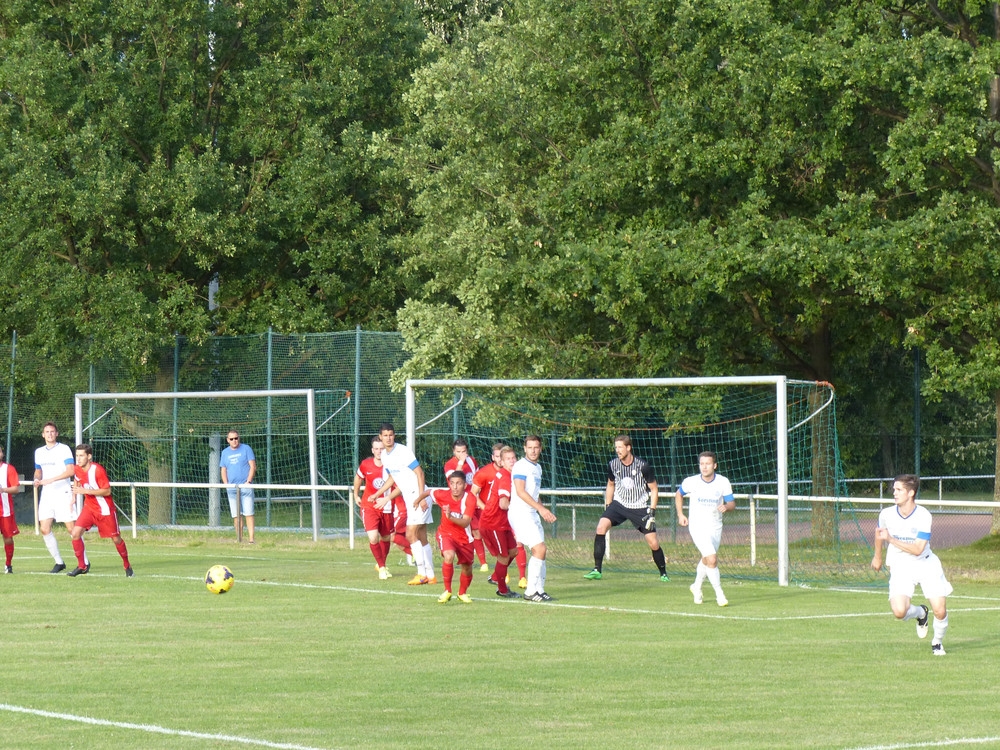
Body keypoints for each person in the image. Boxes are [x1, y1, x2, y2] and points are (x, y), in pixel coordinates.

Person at [871, 474, 952, 656]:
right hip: (901, 566)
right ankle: (920, 613)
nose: (894, 493)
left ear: (911, 493)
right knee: (899, 611)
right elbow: (879, 534)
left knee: (940, 610)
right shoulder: (886, 514)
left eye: (899, 490)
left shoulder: (923, 515)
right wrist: (877, 557)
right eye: (894, 489)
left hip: (925, 563)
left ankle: (937, 643)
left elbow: (917, 549)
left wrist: (891, 539)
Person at [584, 435, 669, 581]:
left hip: (639, 507)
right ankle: (597, 569)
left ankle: (663, 574)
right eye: (616, 447)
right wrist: (608, 505)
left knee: (653, 542)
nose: (617, 450)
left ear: (628, 448)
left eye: (620, 447)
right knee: (600, 528)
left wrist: (652, 511)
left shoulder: (643, 466)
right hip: (619, 504)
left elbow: (654, 489)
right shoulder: (613, 465)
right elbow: (611, 484)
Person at [369, 423, 435, 585]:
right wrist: (380, 495)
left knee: (410, 534)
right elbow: (394, 479)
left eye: (391, 434)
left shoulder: (403, 451)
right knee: (421, 536)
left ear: (394, 435)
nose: (388, 438)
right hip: (410, 497)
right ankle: (431, 575)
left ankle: (421, 574)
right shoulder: (385, 456)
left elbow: (420, 473)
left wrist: (421, 498)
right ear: (381, 437)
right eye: (385, 435)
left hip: (418, 495)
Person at [675, 451, 735, 607]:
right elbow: (678, 494)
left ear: (714, 465)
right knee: (713, 559)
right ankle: (720, 595)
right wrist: (681, 514)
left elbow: (731, 504)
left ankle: (696, 586)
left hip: (715, 526)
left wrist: (726, 507)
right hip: (697, 526)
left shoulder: (723, 482)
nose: (704, 467)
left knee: (707, 559)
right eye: (702, 464)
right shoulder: (691, 481)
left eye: (708, 464)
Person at [67, 444, 134, 577]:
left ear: (89, 456)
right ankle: (82, 566)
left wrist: (85, 491)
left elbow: (107, 491)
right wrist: (74, 497)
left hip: (105, 510)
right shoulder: (77, 469)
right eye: (77, 456)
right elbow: (77, 480)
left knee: (116, 539)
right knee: (75, 533)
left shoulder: (98, 470)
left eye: (81, 456)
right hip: (89, 508)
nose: (78, 459)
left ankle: (127, 565)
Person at [510, 435, 556, 602]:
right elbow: (521, 492)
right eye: (530, 447)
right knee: (540, 549)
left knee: (541, 551)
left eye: (536, 447)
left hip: (531, 513)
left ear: (541, 448)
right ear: (525, 448)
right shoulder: (521, 466)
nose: (533, 450)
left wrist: (542, 510)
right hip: (520, 513)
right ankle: (530, 592)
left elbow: (533, 494)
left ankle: (539, 589)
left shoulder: (538, 467)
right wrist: (541, 510)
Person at [473, 445, 520, 598]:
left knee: (514, 551)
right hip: (493, 523)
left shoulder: (505, 474)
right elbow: (503, 504)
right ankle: (502, 589)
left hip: (501, 523)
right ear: (502, 462)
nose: (512, 461)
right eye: (508, 459)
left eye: (513, 458)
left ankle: (495, 576)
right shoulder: (505, 477)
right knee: (504, 557)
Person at [34, 422, 79, 573]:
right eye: (47, 432)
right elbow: (38, 471)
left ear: (57, 433)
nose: (50, 434)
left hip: (63, 492)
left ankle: (83, 562)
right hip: (47, 494)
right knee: (45, 529)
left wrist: (51, 479)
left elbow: (71, 471)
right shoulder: (39, 452)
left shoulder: (64, 449)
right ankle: (59, 562)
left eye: (52, 431)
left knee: (72, 530)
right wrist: (36, 479)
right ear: (43, 434)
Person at [353, 436, 399, 580]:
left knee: (386, 537)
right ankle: (382, 568)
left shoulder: (392, 465)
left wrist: (387, 499)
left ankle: (381, 565)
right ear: (372, 450)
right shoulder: (366, 464)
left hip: (386, 507)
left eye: (382, 448)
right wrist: (356, 495)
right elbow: (358, 477)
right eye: (377, 449)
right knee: (373, 537)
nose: (379, 451)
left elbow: (398, 486)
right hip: (369, 506)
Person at [431, 471, 477, 603]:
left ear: (464, 485)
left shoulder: (470, 498)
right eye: (452, 483)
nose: (455, 487)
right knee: (449, 556)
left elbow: (466, 522)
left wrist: (450, 516)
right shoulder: (443, 494)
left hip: (464, 538)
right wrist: (418, 501)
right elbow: (429, 492)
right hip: (446, 534)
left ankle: (462, 593)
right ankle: (447, 590)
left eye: (458, 483)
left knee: (467, 567)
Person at [443, 439, 487, 571]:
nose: (461, 454)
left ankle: (481, 561)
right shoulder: (449, 465)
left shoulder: (472, 461)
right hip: (460, 502)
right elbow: (454, 478)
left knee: (479, 530)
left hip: (474, 499)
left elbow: (477, 478)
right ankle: (481, 562)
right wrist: (461, 462)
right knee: (472, 531)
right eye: (458, 452)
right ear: (453, 451)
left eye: (464, 451)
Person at [220, 430, 256, 543]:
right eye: (231, 439)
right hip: (232, 489)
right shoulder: (225, 452)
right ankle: (239, 539)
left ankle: (251, 539)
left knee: (248, 513)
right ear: (228, 440)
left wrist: (248, 482)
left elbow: (252, 466)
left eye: (236, 438)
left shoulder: (246, 449)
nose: (234, 441)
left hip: (245, 487)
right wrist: (226, 484)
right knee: (236, 515)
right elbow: (223, 469)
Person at [0, 446, 22, 574]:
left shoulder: (9, 469)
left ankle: (8, 564)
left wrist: (3, 490)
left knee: (8, 537)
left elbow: (16, 489)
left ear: (2, 454)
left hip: (5, 511)